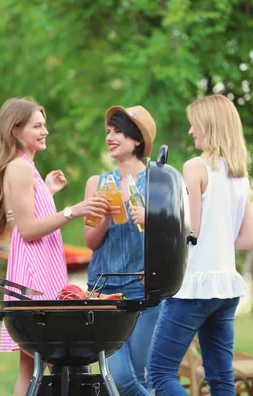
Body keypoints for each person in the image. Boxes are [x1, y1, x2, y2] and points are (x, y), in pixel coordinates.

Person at [0, 97, 109, 396]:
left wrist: (47, 190)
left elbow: (24, 215)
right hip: (34, 278)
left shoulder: (27, 168)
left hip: (41, 271)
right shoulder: (20, 168)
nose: (45, 131)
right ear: (16, 130)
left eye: (44, 125)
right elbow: (27, 230)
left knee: (36, 367)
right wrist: (72, 211)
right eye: (37, 126)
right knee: (37, 367)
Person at [147, 94, 253, 395]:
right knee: (221, 379)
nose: (190, 131)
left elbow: (189, 230)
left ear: (209, 125)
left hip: (195, 286)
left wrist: (148, 217)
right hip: (226, 287)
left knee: (158, 373)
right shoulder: (240, 175)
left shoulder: (195, 167)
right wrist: (218, 234)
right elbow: (248, 240)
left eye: (194, 125)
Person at [83, 105, 158, 396]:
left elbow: (174, 238)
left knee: (137, 375)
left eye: (118, 131)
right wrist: (106, 212)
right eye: (108, 132)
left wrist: (149, 218)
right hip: (103, 291)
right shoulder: (97, 183)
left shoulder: (159, 182)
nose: (110, 137)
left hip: (144, 291)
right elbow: (91, 241)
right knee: (119, 379)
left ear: (137, 139)